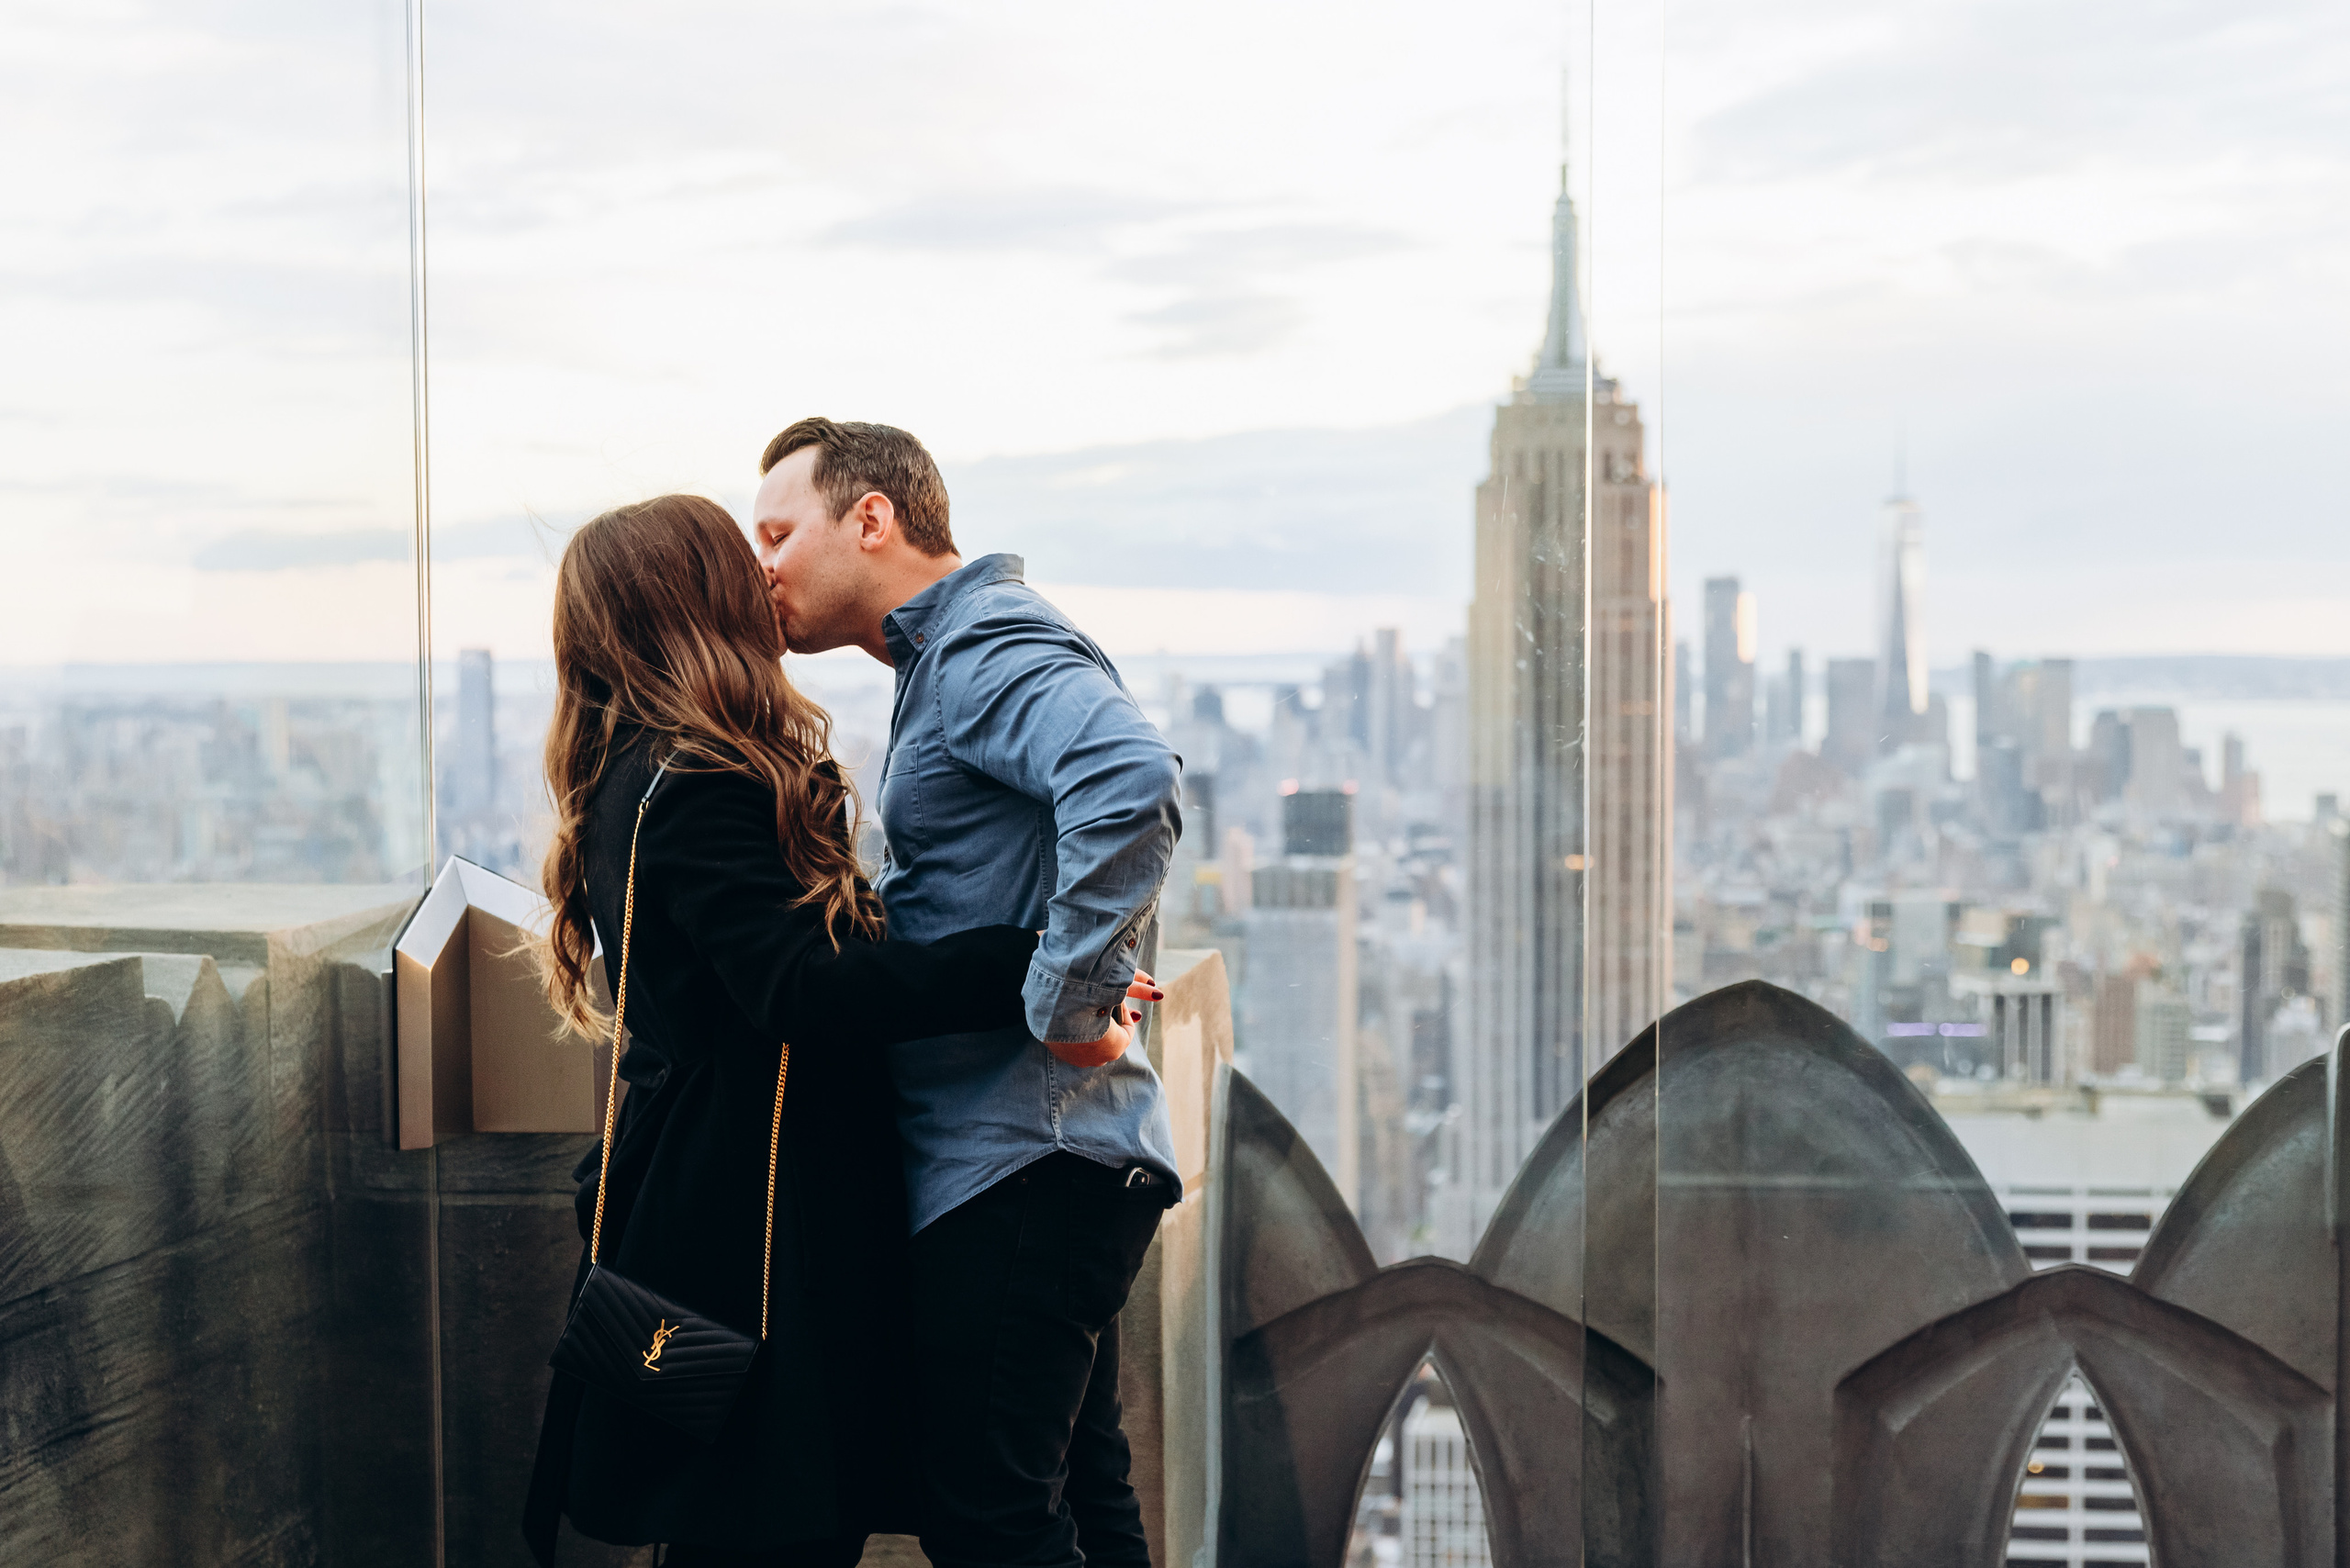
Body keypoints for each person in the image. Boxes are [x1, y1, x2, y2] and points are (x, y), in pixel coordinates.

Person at [520, 495, 1138, 1567]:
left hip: (687, 1200)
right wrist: (1031, 960)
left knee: (735, 1508)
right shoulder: (706, 778)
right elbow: (803, 988)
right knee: (778, 1513)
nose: (765, 573)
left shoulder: (635, 770)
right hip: (758, 1226)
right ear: (696, 595)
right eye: (742, 553)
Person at [751, 417, 1182, 1568]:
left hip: (1024, 1160)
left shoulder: (982, 644)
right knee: (1082, 1502)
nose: (765, 566)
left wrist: (1066, 1005)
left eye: (780, 531)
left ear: (872, 519)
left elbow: (1130, 779)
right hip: (1046, 1160)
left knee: (988, 1522)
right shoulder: (942, 662)